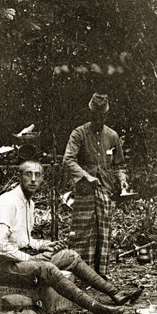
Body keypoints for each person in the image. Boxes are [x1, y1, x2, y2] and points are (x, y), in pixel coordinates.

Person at [0, 160, 142, 314]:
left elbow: (22, 239)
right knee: (47, 268)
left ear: (43, 178)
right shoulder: (8, 202)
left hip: (16, 260)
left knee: (70, 256)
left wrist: (43, 245)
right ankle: (102, 311)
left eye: (38, 175)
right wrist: (30, 258)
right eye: (28, 174)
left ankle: (115, 293)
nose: (33, 179)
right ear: (19, 176)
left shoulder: (28, 202)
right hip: (1, 266)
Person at [63, 93, 128, 277]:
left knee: (103, 233)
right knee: (83, 233)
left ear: (106, 115)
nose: (98, 119)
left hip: (105, 191)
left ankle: (100, 274)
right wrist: (85, 176)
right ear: (90, 113)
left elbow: (119, 165)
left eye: (102, 116)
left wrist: (122, 179)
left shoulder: (112, 136)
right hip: (85, 191)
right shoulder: (79, 134)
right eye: (94, 115)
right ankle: (80, 272)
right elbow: (69, 159)